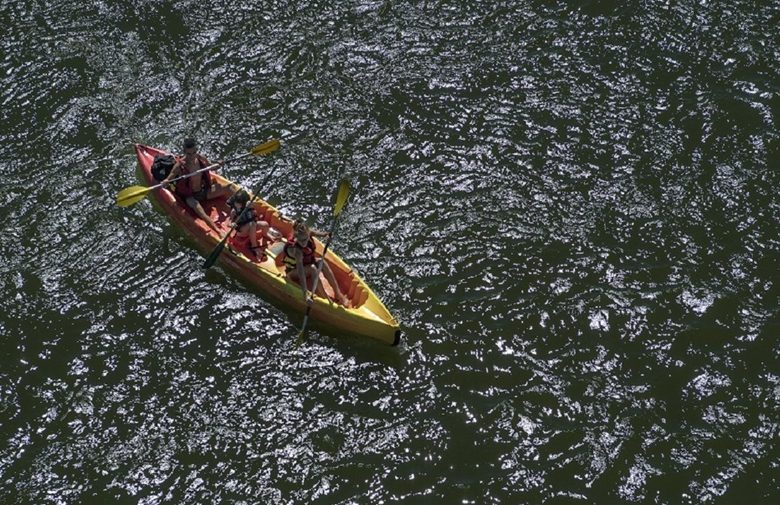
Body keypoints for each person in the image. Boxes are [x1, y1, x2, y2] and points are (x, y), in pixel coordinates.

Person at [161, 138, 231, 232]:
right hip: (191, 196)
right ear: (184, 152)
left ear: (196, 150)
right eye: (189, 154)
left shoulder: (200, 158)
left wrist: (218, 164)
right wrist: (165, 181)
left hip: (203, 191)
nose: (192, 156)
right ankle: (218, 232)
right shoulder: (180, 165)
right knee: (202, 213)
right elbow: (170, 176)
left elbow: (211, 166)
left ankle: (241, 207)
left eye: (194, 152)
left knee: (228, 187)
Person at [276, 220, 350, 307]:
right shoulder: (297, 251)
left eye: (305, 239)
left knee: (321, 262)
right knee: (312, 268)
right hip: (293, 272)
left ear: (308, 234)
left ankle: (338, 293)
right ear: (296, 238)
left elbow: (319, 234)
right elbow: (300, 272)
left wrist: (327, 235)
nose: (303, 243)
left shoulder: (308, 233)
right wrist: (305, 294)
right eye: (301, 240)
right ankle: (326, 299)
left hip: (306, 265)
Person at [226, 189, 270, 259]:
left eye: (239, 203)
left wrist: (253, 203)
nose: (237, 204)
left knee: (265, 224)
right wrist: (232, 224)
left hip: (251, 226)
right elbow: (229, 222)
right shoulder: (234, 211)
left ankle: (265, 235)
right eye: (236, 202)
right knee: (252, 224)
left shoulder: (249, 205)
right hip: (242, 231)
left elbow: (253, 204)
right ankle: (254, 246)